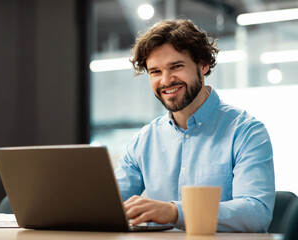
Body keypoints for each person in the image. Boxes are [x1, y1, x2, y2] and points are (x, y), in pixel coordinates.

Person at [114, 19, 275, 232]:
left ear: (203, 64)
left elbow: (256, 212)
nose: (166, 80)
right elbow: (109, 207)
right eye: (155, 72)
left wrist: (174, 212)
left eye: (176, 66)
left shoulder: (246, 132)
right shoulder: (143, 141)